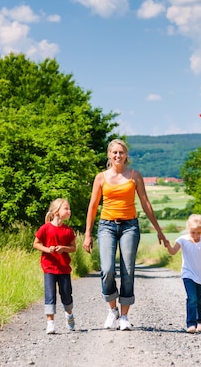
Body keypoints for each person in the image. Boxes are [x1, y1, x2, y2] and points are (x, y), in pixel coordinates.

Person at [83, 139, 167, 331]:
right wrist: (88, 234)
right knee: (107, 269)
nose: (118, 156)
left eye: (121, 152)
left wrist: (159, 230)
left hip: (130, 226)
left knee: (128, 270)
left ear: (126, 155)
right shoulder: (101, 177)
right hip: (106, 226)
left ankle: (125, 316)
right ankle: (113, 309)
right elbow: (93, 206)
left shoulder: (134, 176)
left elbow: (145, 204)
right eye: (114, 153)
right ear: (109, 155)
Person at [33, 198, 77, 334]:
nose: (69, 211)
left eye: (69, 209)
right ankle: (50, 323)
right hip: (49, 268)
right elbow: (36, 243)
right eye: (66, 208)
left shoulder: (68, 231)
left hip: (64, 268)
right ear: (56, 212)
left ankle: (69, 315)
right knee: (50, 295)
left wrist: (64, 248)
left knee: (66, 294)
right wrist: (48, 250)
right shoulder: (45, 229)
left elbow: (73, 248)